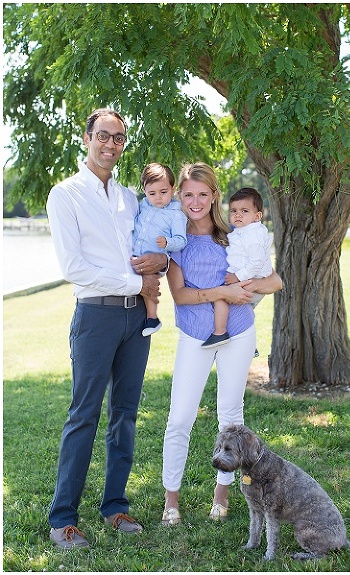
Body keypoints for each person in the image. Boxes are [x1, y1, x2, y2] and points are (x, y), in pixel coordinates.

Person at [46, 108, 168, 548]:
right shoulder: (65, 195)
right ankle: (63, 519)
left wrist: (161, 260)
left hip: (136, 318)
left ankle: (115, 507)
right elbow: (73, 268)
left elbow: (150, 249)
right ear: (87, 138)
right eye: (103, 135)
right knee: (84, 415)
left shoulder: (130, 199)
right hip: (95, 316)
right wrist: (138, 283)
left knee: (126, 414)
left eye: (118, 138)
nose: (110, 144)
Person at [160, 162, 282, 527]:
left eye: (203, 194)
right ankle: (171, 500)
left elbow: (274, 281)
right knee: (180, 417)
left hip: (238, 333)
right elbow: (180, 296)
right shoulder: (176, 241)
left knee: (230, 417)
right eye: (188, 195)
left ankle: (223, 492)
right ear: (179, 197)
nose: (195, 202)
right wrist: (223, 292)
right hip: (194, 335)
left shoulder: (234, 234)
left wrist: (245, 288)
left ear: (214, 195)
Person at [202, 187, 273, 349]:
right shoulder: (244, 231)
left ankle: (220, 333)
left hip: (252, 279)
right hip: (249, 278)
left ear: (257, 216)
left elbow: (256, 263)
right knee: (240, 310)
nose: (238, 215)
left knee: (221, 296)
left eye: (244, 211)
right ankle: (247, 344)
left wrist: (237, 276)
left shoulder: (253, 235)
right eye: (233, 211)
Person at [132, 162, 187, 336]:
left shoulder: (176, 214)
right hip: (134, 254)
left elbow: (181, 240)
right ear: (144, 190)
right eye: (152, 193)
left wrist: (167, 242)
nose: (158, 198)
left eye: (163, 192)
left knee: (148, 283)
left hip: (154, 259)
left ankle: (152, 317)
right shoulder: (143, 205)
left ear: (173, 188)